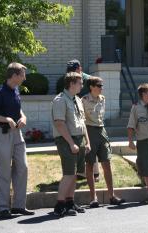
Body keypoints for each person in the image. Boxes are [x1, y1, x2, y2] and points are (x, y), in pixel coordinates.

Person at [0, 62, 34, 218]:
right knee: (4, 171)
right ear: (14, 76)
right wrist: (6, 119)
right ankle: (3, 208)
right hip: (3, 135)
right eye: (23, 75)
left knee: (23, 167)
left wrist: (23, 117)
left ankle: (19, 206)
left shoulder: (15, 90)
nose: (24, 78)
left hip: (17, 135)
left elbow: (17, 108)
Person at [82, 76, 126, 208]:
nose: (102, 88)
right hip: (89, 130)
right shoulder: (83, 100)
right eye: (99, 85)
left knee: (107, 162)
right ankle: (93, 198)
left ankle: (112, 196)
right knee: (89, 164)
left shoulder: (103, 99)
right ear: (91, 87)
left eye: (102, 86)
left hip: (101, 130)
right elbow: (82, 119)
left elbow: (100, 117)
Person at [51, 72, 91, 216]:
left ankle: (70, 202)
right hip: (66, 140)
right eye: (80, 83)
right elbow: (59, 124)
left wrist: (87, 142)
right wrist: (71, 143)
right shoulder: (60, 100)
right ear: (72, 84)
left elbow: (83, 123)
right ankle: (59, 205)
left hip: (79, 139)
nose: (82, 85)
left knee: (74, 174)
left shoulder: (78, 100)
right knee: (68, 173)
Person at [66, 59, 100, 181]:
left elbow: (98, 93)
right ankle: (82, 172)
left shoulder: (89, 79)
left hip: (89, 115)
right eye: (70, 71)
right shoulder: (69, 78)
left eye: (74, 70)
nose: (72, 73)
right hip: (77, 114)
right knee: (82, 145)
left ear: (79, 68)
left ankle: (95, 173)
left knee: (90, 144)